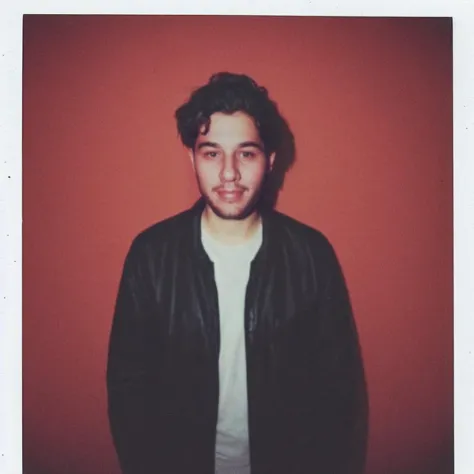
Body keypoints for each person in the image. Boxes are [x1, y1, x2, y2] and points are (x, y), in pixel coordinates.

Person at [106, 72, 368, 474]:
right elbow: (129, 390)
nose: (229, 173)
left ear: (270, 160)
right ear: (191, 157)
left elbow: (338, 392)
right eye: (212, 153)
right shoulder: (151, 256)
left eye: (246, 153)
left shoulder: (311, 256)